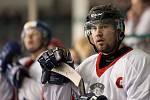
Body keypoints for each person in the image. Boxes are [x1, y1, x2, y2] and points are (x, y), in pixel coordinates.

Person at [37, 4, 150, 100]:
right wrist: (58, 81)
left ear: (119, 29)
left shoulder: (140, 62)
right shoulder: (85, 67)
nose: (98, 33)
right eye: (94, 28)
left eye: (104, 26)